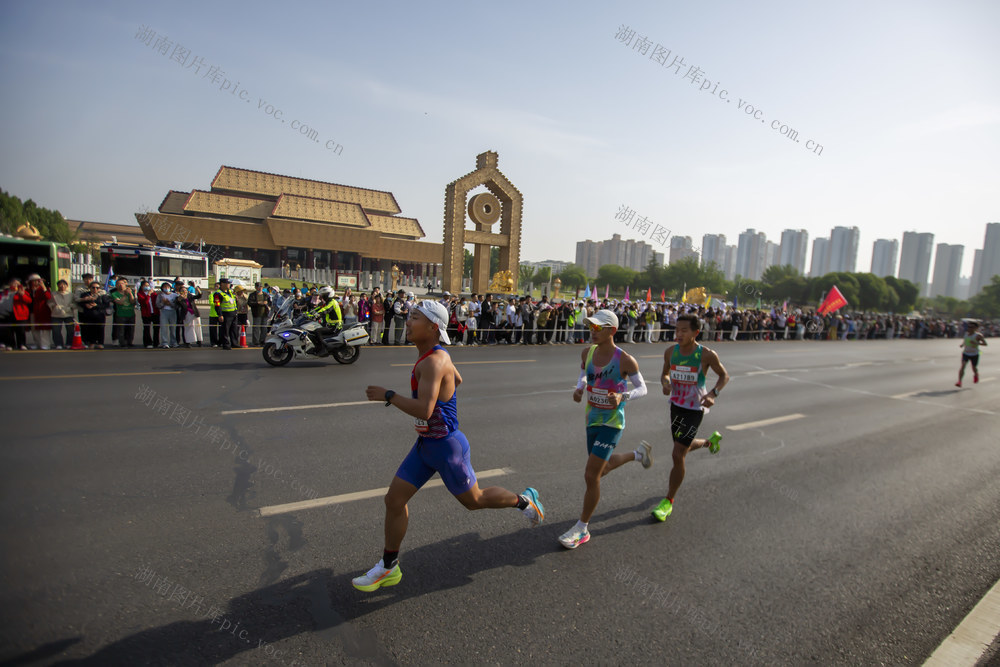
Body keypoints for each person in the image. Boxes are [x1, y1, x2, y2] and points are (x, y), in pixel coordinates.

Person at [354, 300, 544, 591]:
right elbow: (457, 377)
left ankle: (524, 501)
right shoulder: (435, 356)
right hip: (427, 445)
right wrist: (446, 391)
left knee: (475, 501)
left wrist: (388, 395)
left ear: (432, 326)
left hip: (447, 448)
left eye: (414, 317)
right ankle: (389, 567)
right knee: (394, 500)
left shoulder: (433, 361)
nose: (407, 321)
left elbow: (424, 411)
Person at [559, 309, 651, 549]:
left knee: (591, 475)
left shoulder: (625, 360)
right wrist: (580, 388)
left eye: (598, 327)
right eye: (591, 326)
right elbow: (584, 374)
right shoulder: (587, 352)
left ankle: (582, 529)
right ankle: (637, 454)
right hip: (592, 420)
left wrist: (624, 397)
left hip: (612, 423)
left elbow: (643, 388)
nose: (593, 331)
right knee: (602, 469)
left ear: (612, 330)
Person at [651, 314, 730, 521]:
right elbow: (664, 374)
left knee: (677, 454)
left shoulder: (706, 355)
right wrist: (665, 383)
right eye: (677, 329)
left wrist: (713, 394)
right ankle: (708, 442)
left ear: (695, 333)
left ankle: (668, 502)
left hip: (695, 408)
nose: (678, 334)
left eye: (683, 330)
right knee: (682, 447)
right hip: (676, 406)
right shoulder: (670, 352)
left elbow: (724, 376)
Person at [305, 286, 342, 356]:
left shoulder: (332, 302)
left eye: (323, 295)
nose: (322, 297)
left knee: (317, 331)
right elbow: (319, 308)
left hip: (335, 327)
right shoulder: (329, 302)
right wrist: (308, 313)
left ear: (328, 295)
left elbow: (324, 310)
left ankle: (324, 348)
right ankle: (317, 347)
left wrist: (316, 315)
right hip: (331, 325)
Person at [956, 320, 987, 387]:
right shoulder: (966, 334)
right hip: (966, 353)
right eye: (969, 327)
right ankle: (959, 381)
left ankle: (976, 374)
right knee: (963, 366)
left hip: (974, 354)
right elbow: (965, 341)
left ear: (976, 328)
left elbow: (985, 344)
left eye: (972, 327)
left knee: (973, 367)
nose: (969, 328)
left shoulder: (978, 335)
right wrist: (962, 344)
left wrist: (977, 343)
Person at [27, 274, 53, 350]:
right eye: (33, 281)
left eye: (37, 281)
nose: (35, 283)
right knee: (34, 329)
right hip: (33, 312)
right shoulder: (28, 290)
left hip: (43, 311)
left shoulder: (44, 288)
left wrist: (43, 287)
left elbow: (48, 297)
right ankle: (37, 343)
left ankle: (46, 344)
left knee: (45, 329)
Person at [110, 277, 136, 348]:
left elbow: (132, 301)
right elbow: (120, 302)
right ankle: (122, 343)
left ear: (125, 284)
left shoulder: (131, 292)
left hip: (131, 313)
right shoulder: (114, 293)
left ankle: (130, 342)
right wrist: (125, 295)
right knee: (121, 330)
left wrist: (130, 293)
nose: (121, 285)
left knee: (131, 329)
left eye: (122, 283)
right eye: (118, 284)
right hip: (121, 314)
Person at [49, 279, 76, 349]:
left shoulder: (71, 294)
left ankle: (69, 343)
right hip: (56, 314)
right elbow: (49, 303)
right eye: (60, 284)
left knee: (70, 330)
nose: (62, 286)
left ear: (67, 286)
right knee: (56, 330)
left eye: (64, 284)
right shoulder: (53, 294)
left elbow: (75, 303)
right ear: (57, 286)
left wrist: (70, 306)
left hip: (68, 313)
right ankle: (58, 344)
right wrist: (54, 307)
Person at [213, 278, 238, 350]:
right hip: (226, 314)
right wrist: (220, 315)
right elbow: (217, 305)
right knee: (225, 330)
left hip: (233, 313)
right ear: (222, 284)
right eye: (227, 283)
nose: (229, 285)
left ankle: (234, 343)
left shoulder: (230, 292)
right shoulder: (218, 293)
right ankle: (225, 344)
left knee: (234, 330)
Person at [156, 282, 179, 348]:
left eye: (168, 287)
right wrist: (163, 303)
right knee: (164, 328)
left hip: (172, 312)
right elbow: (157, 305)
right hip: (164, 312)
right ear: (162, 288)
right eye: (165, 287)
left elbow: (177, 306)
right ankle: (164, 342)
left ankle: (173, 342)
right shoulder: (160, 295)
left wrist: (170, 304)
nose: (166, 288)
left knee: (173, 328)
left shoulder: (174, 295)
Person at [247, 282, 271, 346]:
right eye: (258, 287)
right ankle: (255, 342)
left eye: (260, 287)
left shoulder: (266, 295)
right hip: (256, 313)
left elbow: (270, 303)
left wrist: (267, 305)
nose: (259, 288)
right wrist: (258, 303)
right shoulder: (252, 295)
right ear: (255, 287)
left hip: (264, 314)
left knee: (264, 328)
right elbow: (249, 303)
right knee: (256, 328)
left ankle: (262, 341)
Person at [137, 280, 159, 348]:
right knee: (146, 328)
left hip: (155, 313)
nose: (147, 287)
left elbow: (157, 301)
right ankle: (147, 343)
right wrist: (148, 294)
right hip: (146, 314)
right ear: (142, 287)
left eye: (148, 286)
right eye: (145, 286)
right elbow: (144, 303)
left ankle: (156, 342)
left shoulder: (153, 293)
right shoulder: (140, 294)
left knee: (156, 328)